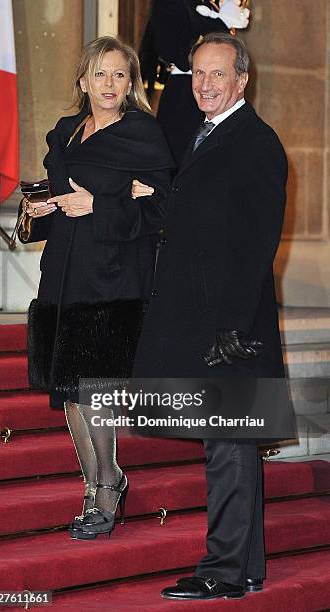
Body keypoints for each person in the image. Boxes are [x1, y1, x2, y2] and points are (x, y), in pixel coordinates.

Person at [133, 32, 288, 599]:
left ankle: (222, 572)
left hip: (229, 325)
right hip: (206, 318)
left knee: (228, 447)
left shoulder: (255, 142)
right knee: (231, 445)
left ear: (241, 80)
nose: (203, 84)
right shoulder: (204, 135)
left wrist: (231, 325)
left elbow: (256, 242)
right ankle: (243, 567)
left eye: (217, 74)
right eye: (196, 73)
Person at [20, 36, 173, 540]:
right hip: (63, 272)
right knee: (70, 390)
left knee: (95, 389)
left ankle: (106, 488)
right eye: (100, 74)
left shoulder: (143, 135)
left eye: (120, 75)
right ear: (83, 81)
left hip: (113, 276)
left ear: (131, 85)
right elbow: (62, 197)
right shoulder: (65, 133)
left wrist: (100, 206)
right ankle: (96, 484)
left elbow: (162, 211)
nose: (109, 84)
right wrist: (43, 210)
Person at [139, 0, 250, 165]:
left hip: (216, 95)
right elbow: (179, 54)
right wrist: (221, 23)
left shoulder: (206, 4)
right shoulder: (171, 4)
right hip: (184, 96)